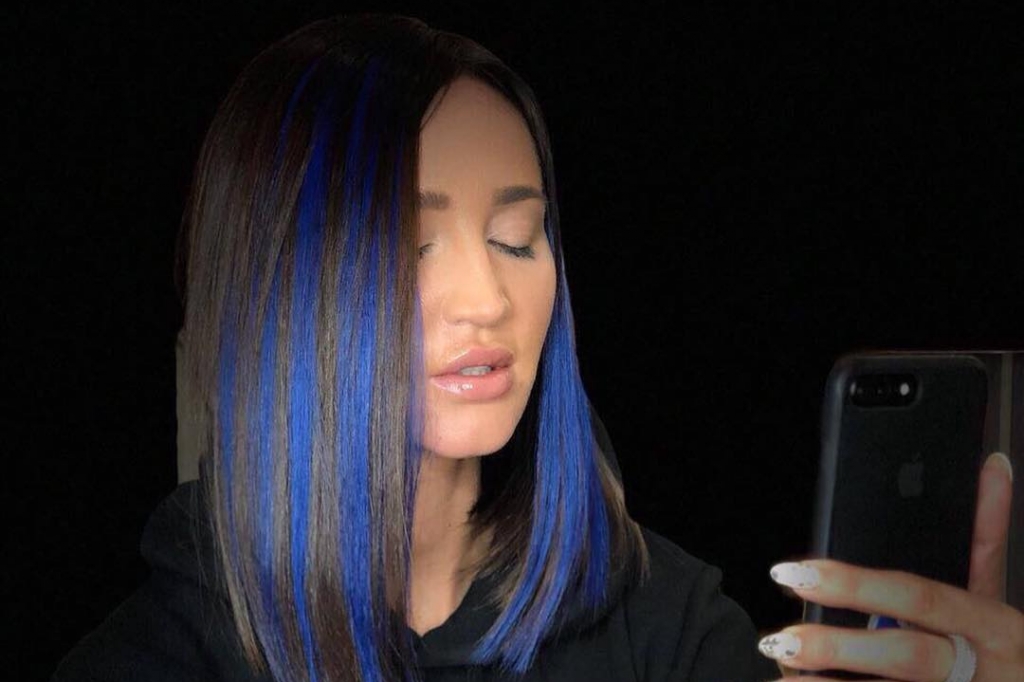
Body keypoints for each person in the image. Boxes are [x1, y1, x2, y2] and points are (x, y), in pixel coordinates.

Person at [50, 13, 1022, 682]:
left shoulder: (665, 622)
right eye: (408, 244)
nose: (488, 299)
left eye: (518, 238)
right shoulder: (150, 657)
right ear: (277, 282)